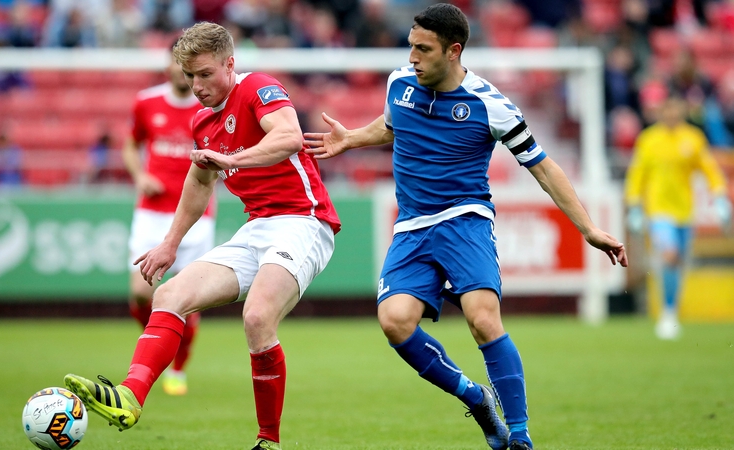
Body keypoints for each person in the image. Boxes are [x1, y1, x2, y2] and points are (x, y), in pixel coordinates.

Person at [303, 4, 627, 450]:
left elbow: (544, 168)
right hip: (412, 226)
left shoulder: (489, 105)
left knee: (481, 318)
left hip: (465, 220)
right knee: (394, 321)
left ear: (453, 51)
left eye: (423, 49)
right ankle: (474, 398)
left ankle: (520, 436)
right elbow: (393, 124)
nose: (412, 57)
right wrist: (354, 137)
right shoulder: (400, 84)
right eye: (411, 46)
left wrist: (588, 228)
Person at [65, 21, 341, 450]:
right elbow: (198, 184)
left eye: (205, 74)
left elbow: (288, 138)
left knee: (256, 317)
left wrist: (233, 157)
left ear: (230, 65)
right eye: (190, 76)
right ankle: (130, 395)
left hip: (304, 221)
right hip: (257, 227)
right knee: (168, 296)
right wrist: (169, 244)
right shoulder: (202, 121)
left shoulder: (259, 88)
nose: (196, 85)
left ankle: (269, 441)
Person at [119, 48, 218, 396]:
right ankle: (157, 343)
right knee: (140, 293)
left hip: (195, 217)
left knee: (184, 299)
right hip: (151, 212)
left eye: (188, 68)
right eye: (175, 65)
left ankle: (177, 367)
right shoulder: (145, 102)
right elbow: (130, 146)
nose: (181, 73)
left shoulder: (209, 106)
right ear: (166, 67)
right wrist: (139, 176)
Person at [624, 96, 731, 340]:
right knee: (670, 255)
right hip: (659, 211)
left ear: (681, 111)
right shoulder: (649, 140)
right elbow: (637, 174)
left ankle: (671, 309)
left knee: (678, 263)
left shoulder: (692, 138)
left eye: (676, 110)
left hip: (685, 212)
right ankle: (668, 314)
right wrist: (634, 206)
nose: (671, 114)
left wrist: (720, 197)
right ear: (662, 112)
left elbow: (709, 170)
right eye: (667, 110)